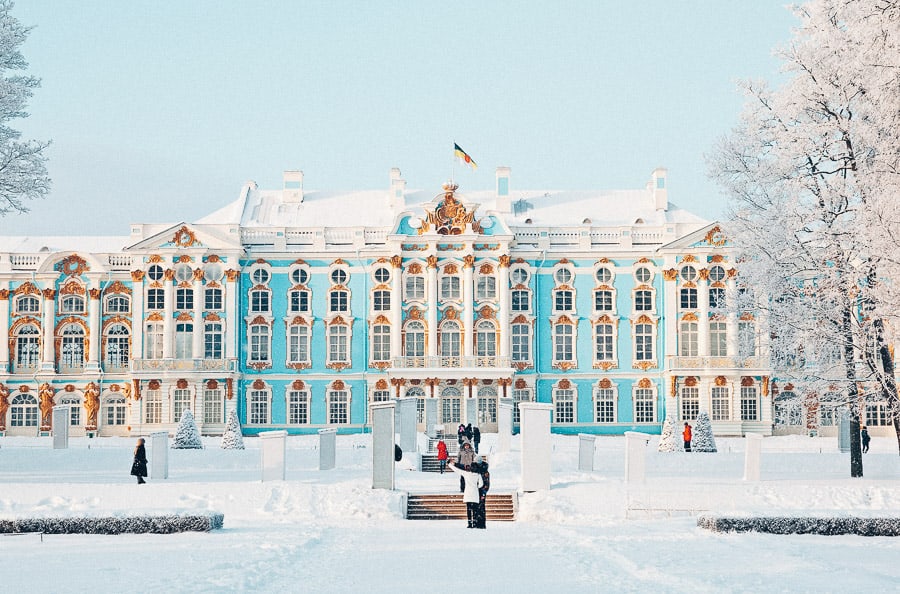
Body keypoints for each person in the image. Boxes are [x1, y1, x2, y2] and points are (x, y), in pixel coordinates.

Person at [448, 460, 483, 529]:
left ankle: (470, 523)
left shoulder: (466, 474)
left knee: (469, 510)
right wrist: (476, 486)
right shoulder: (478, 475)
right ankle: (475, 522)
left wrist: (449, 464)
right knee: (475, 510)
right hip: (475, 494)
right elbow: (481, 484)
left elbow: (457, 470)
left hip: (468, 494)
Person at [473, 455, 490, 529]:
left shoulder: (485, 472)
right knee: (475, 507)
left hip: (481, 491)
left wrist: (483, 493)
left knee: (481, 508)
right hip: (474, 491)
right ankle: (476, 523)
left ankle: (482, 523)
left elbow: (487, 484)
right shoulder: (473, 470)